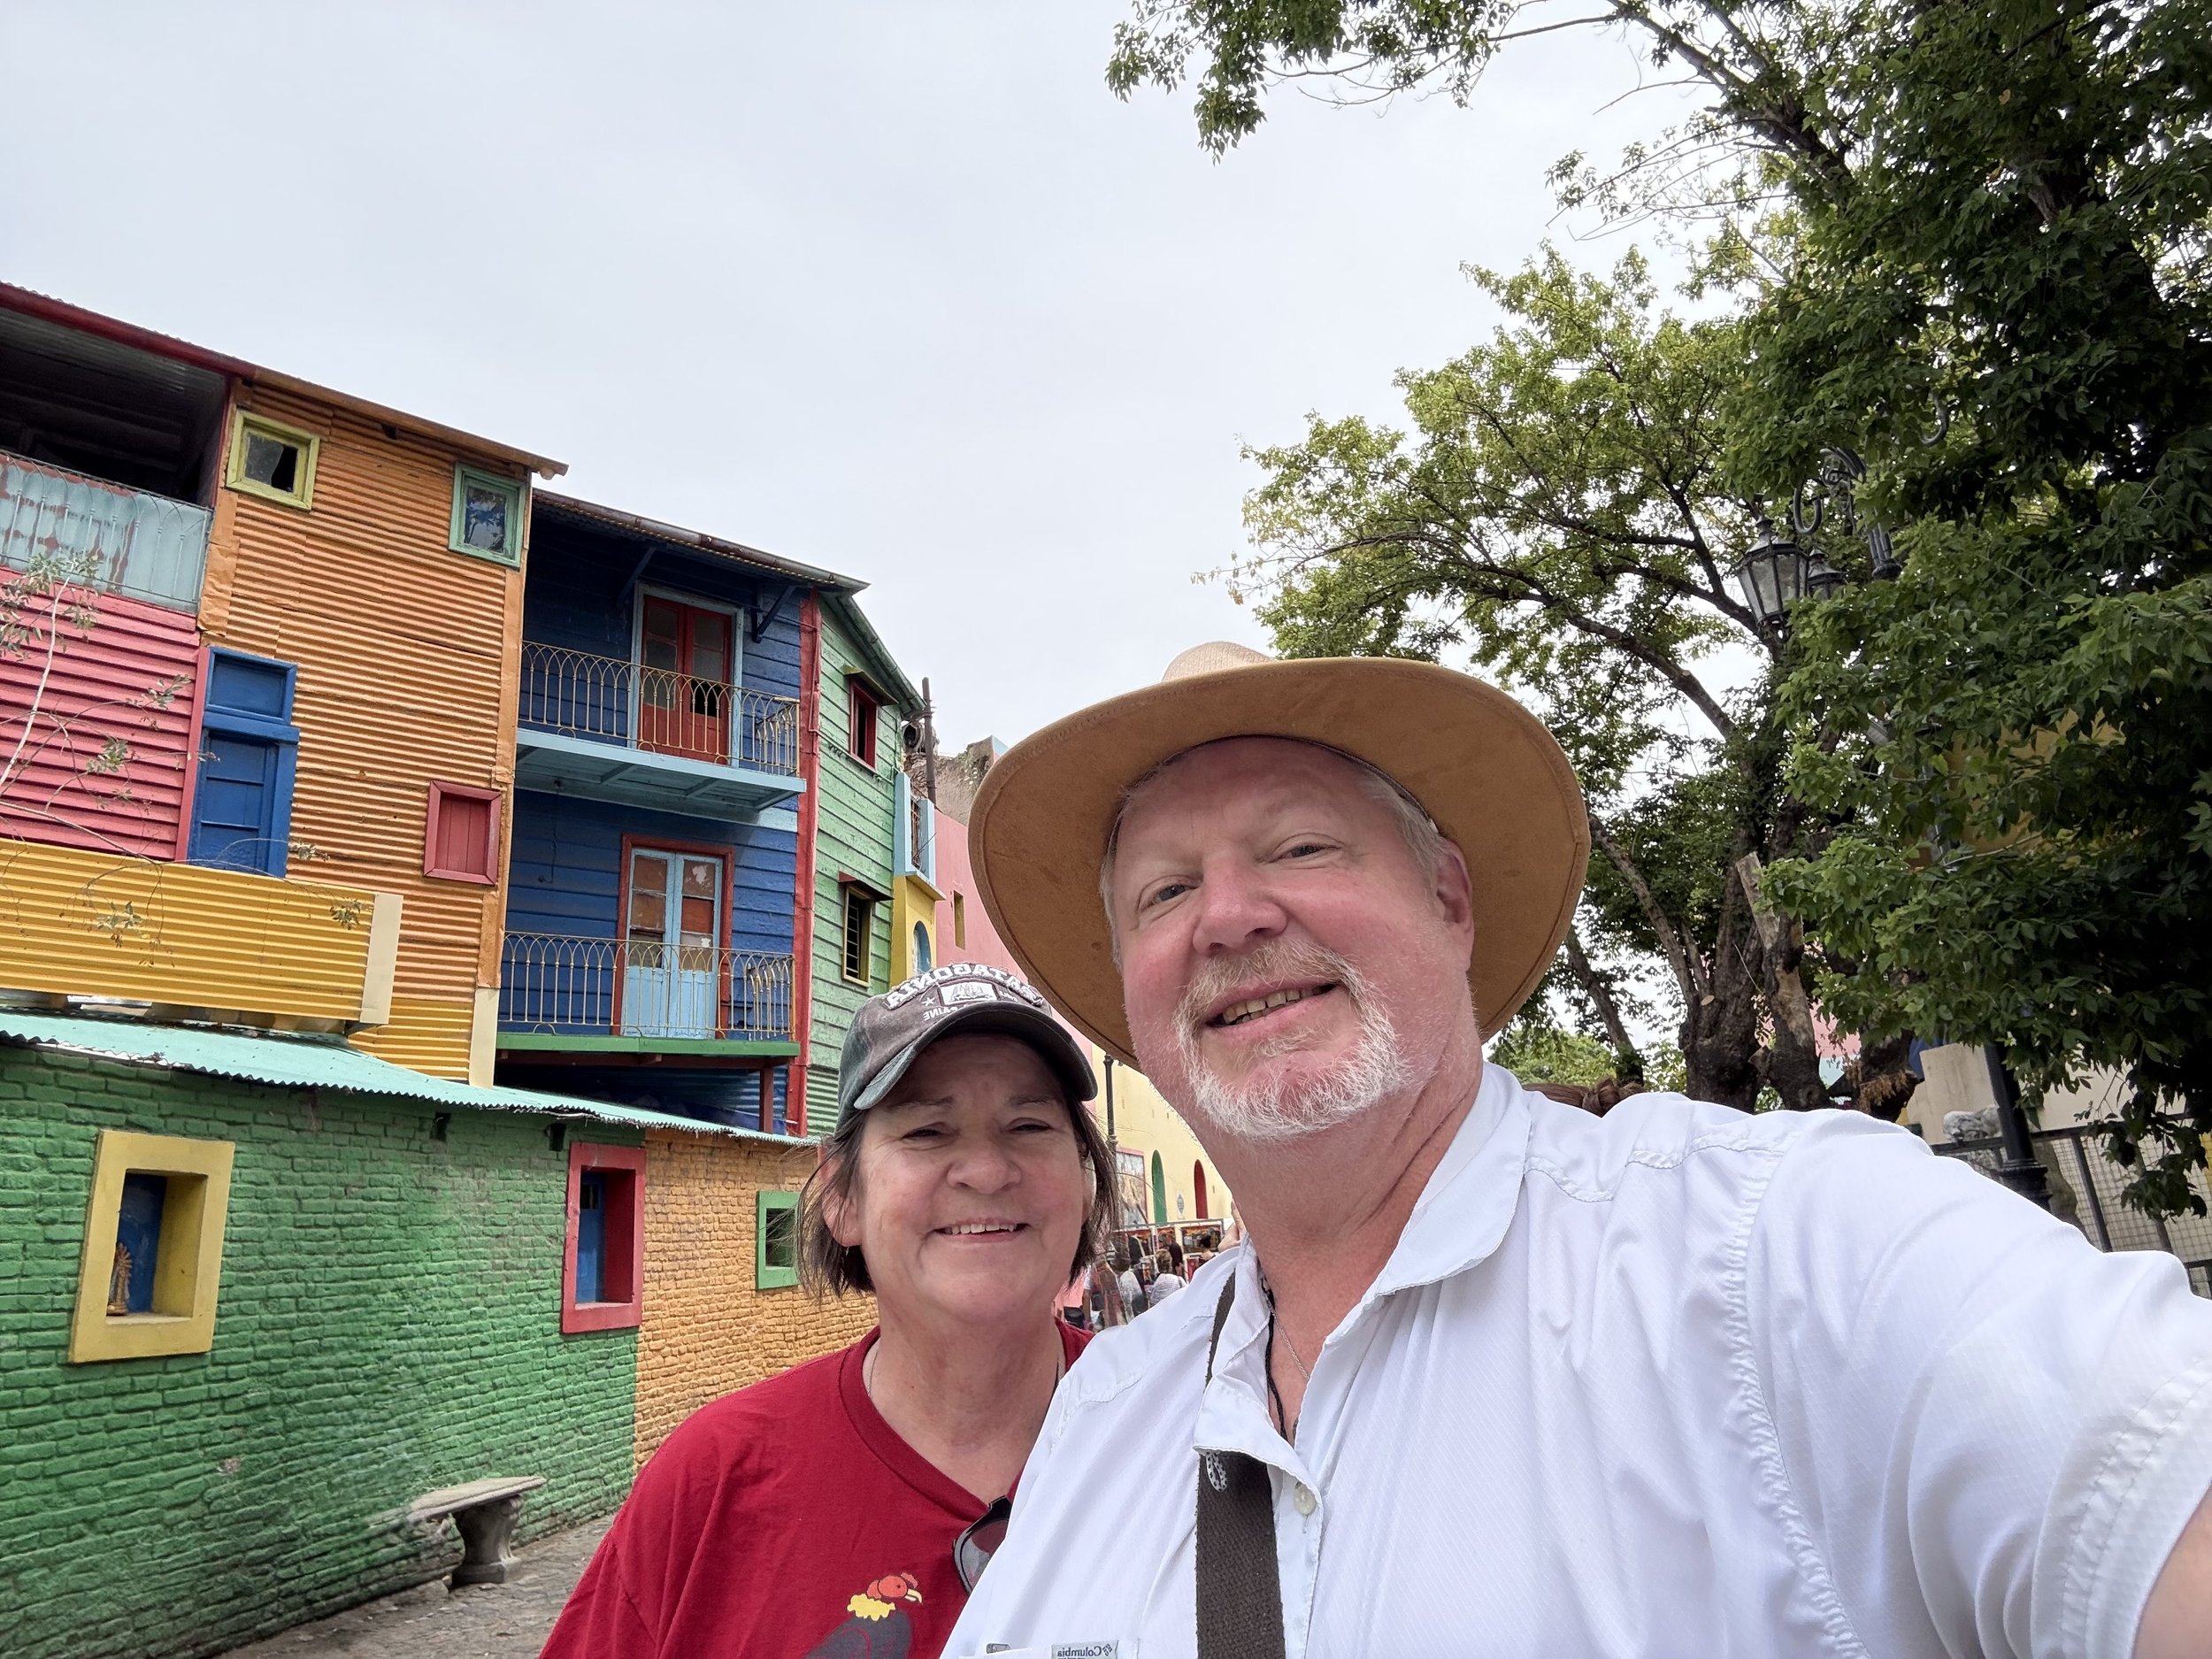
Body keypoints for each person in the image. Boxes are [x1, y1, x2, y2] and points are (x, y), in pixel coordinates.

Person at [947, 642, 2212, 1659]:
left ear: (1449, 897)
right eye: (1166, 890)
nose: (1229, 914)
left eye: (1298, 846)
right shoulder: (1103, 1414)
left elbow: (2145, 1489)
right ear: (1130, 983)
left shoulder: (1775, 1250)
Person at [541, 960, 1116, 1659]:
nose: (987, 1169)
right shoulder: (711, 1482)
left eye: (1028, 1124)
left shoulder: (1184, 1438)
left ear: (1085, 1183)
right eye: (927, 1132)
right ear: (843, 1195)